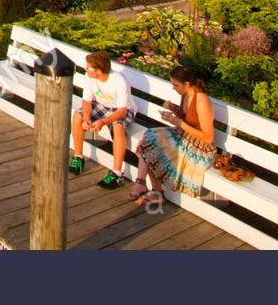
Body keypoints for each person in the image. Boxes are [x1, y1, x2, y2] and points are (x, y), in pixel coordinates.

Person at [127, 66, 215, 206]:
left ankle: (152, 189)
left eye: (176, 84)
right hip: (183, 135)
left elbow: (208, 137)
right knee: (148, 136)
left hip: (198, 145)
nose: (173, 88)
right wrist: (174, 110)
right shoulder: (186, 94)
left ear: (187, 84)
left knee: (151, 143)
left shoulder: (201, 100)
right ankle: (144, 184)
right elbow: (187, 119)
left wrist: (179, 123)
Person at [70, 51, 135, 190]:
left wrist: (103, 122)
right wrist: (87, 118)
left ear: (99, 71)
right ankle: (78, 157)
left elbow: (122, 111)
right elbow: (86, 102)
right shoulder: (90, 78)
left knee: (117, 126)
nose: (86, 69)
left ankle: (117, 173)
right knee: (77, 116)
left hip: (121, 109)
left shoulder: (119, 81)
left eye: (89, 68)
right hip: (101, 106)